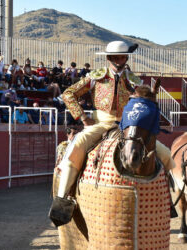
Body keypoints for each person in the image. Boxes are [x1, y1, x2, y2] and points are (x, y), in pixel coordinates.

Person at [50, 40, 176, 226]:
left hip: (127, 126)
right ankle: (62, 201)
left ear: (126, 58)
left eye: (122, 56)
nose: (119, 60)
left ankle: (166, 200)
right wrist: (84, 118)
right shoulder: (96, 76)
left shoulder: (135, 81)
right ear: (109, 58)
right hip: (100, 123)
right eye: (116, 57)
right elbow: (68, 94)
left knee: (165, 154)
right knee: (75, 147)